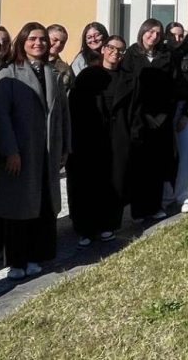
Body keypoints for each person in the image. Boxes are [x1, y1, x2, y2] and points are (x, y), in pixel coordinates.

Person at [0, 22, 70, 280]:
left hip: (46, 153)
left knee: (42, 205)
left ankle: (37, 256)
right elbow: (1, 117)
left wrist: (64, 147)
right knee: (19, 209)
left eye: (42, 39)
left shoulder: (52, 73)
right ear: (23, 41)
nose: (38, 43)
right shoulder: (9, 74)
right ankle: (17, 261)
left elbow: (62, 114)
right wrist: (10, 151)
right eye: (33, 39)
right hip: (21, 154)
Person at [113, 19, 188, 220]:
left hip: (161, 118)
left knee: (157, 165)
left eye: (157, 33)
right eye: (150, 31)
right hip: (137, 119)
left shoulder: (165, 55)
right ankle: (139, 210)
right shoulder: (131, 55)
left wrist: (164, 114)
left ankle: (155, 206)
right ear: (142, 32)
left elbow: (174, 85)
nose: (153, 36)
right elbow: (126, 86)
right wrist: (140, 115)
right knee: (139, 165)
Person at [67, 35, 126, 247]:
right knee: (87, 184)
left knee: (113, 182)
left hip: (117, 138)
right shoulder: (88, 75)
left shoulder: (126, 77)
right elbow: (75, 107)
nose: (115, 53)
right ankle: (85, 228)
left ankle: (107, 225)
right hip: (88, 138)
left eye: (120, 50)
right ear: (103, 49)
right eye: (111, 48)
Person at [160, 11, 188, 214]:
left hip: (184, 109)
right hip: (163, 111)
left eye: (180, 35)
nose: (176, 39)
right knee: (165, 154)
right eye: (172, 35)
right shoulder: (161, 58)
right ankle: (166, 195)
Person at [46, 24, 74, 92]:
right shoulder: (30, 61)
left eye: (62, 42)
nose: (58, 45)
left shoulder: (65, 69)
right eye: (55, 40)